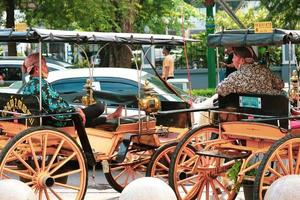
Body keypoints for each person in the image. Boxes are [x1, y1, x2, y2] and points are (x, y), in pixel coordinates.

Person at [21, 53, 122, 127]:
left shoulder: (27, 86)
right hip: (56, 121)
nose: (47, 68)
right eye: (45, 65)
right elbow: (56, 110)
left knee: (86, 118)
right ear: (37, 69)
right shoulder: (42, 84)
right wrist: (74, 110)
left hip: (46, 119)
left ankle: (109, 118)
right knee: (99, 106)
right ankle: (110, 117)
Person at [217, 46, 284, 97]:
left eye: (234, 57)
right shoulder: (265, 71)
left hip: (245, 112)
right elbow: (281, 85)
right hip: (269, 110)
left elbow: (219, 90)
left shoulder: (235, 76)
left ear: (242, 61)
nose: (232, 60)